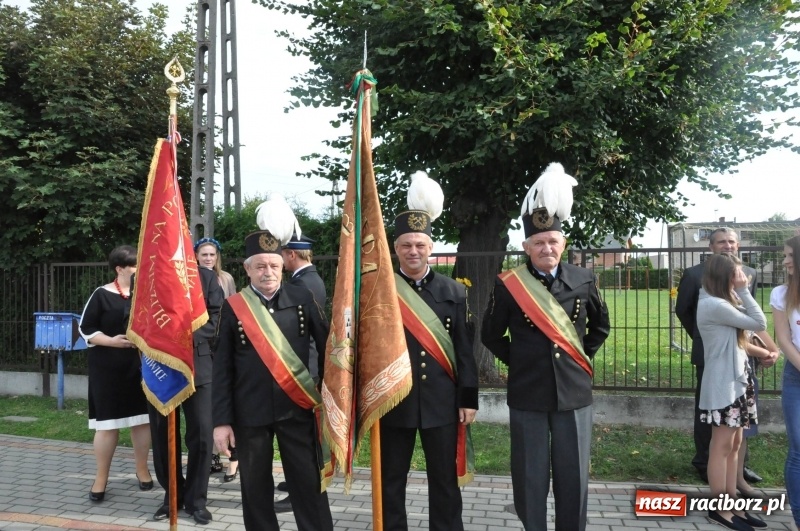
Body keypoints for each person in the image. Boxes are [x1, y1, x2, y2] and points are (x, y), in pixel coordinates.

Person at [481, 163, 610, 531]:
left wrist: (577, 358)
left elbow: (600, 327)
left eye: (552, 241)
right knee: (530, 474)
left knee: (574, 474)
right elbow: (491, 335)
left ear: (562, 244)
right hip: (528, 392)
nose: (546, 248)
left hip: (574, 391)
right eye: (538, 243)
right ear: (526, 247)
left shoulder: (584, 279)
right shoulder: (509, 284)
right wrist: (522, 361)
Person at [212, 200, 333, 531]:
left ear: (283, 265)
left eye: (274, 265)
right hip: (250, 413)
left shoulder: (303, 299)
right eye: (260, 266)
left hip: (297, 409)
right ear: (247, 269)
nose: (268, 272)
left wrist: (331, 394)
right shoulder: (234, 307)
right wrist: (221, 421)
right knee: (255, 489)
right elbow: (222, 370)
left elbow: (329, 348)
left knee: (308, 484)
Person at [380, 171, 479, 531]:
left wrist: (468, 399)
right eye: (406, 245)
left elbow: (465, 351)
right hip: (395, 402)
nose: (413, 252)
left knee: (445, 481)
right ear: (396, 248)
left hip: (442, 403)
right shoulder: (380, 291)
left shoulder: (454, 291)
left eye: (420, 245)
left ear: (431, 247)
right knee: (391, 481)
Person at [676, 227, 763, 484]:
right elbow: (683, 310)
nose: (727, 245)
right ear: (711, 247)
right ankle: (705, 463)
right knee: (711, 415)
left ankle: (738, 469)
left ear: (738, 245)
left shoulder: (748, 273)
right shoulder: (695, 275)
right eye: (721, 242)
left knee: (739, 419)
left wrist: (764, 349)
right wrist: (705, 337)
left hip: (740, 353)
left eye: (731, 241)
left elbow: (747, 318)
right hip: (711, 353)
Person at [149, 265, 224, 524]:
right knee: (162, 437)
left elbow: (217, 316)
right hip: (159, 367)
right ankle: (172, 495)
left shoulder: (205, 276)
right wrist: (162, 341)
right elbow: (132, 319)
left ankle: (196, 500)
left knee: (202, 435)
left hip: (197, 365)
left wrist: (181, 339)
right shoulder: (146, 274)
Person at [696, 253, 766, 530]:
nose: (742, 277)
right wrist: (745, 291)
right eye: (737, 273)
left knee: (734, 445)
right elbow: (759, 322)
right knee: (721, 446)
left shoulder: (722, 302)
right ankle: (719, 510)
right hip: (723, 385)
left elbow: (744, 337)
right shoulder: (714, 304)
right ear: (724, 277)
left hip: (736, 382)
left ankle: (733, 505)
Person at [78, 245, 153, 502]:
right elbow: (85, 329)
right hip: (108, 368)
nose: (139, 270)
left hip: (140, 367)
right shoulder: (101, 294)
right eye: (134, 266)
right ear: (119, 269)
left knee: (142, 420)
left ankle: (142, 470)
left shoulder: (147, 295)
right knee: (108, 426)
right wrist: (112, 341)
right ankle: (101, 478)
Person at [273, 230, 329, 502]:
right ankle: (297, 481)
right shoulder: (310, 279)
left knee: (302, 438)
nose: (280, 261)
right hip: (306, 365)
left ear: (291, 254)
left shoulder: (303, 284)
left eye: (282, 255)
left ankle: (304, 488)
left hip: (303, 367)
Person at [193, 237, 239, 482]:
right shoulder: (191, 278)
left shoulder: (226, 278)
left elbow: (230, 309)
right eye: (204, 254)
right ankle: (212, 456)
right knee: (206, 410)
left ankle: (233, 459)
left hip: (221, 342)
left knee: (226, 401)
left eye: (212, 254)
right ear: (196, 256)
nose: (209, 258)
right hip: (202, 346)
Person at [771, 235, 800, 531]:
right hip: (796, 376)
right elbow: (784, 338)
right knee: (799, 449)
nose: (785, 261)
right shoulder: (781, 294)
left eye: (790, 255)